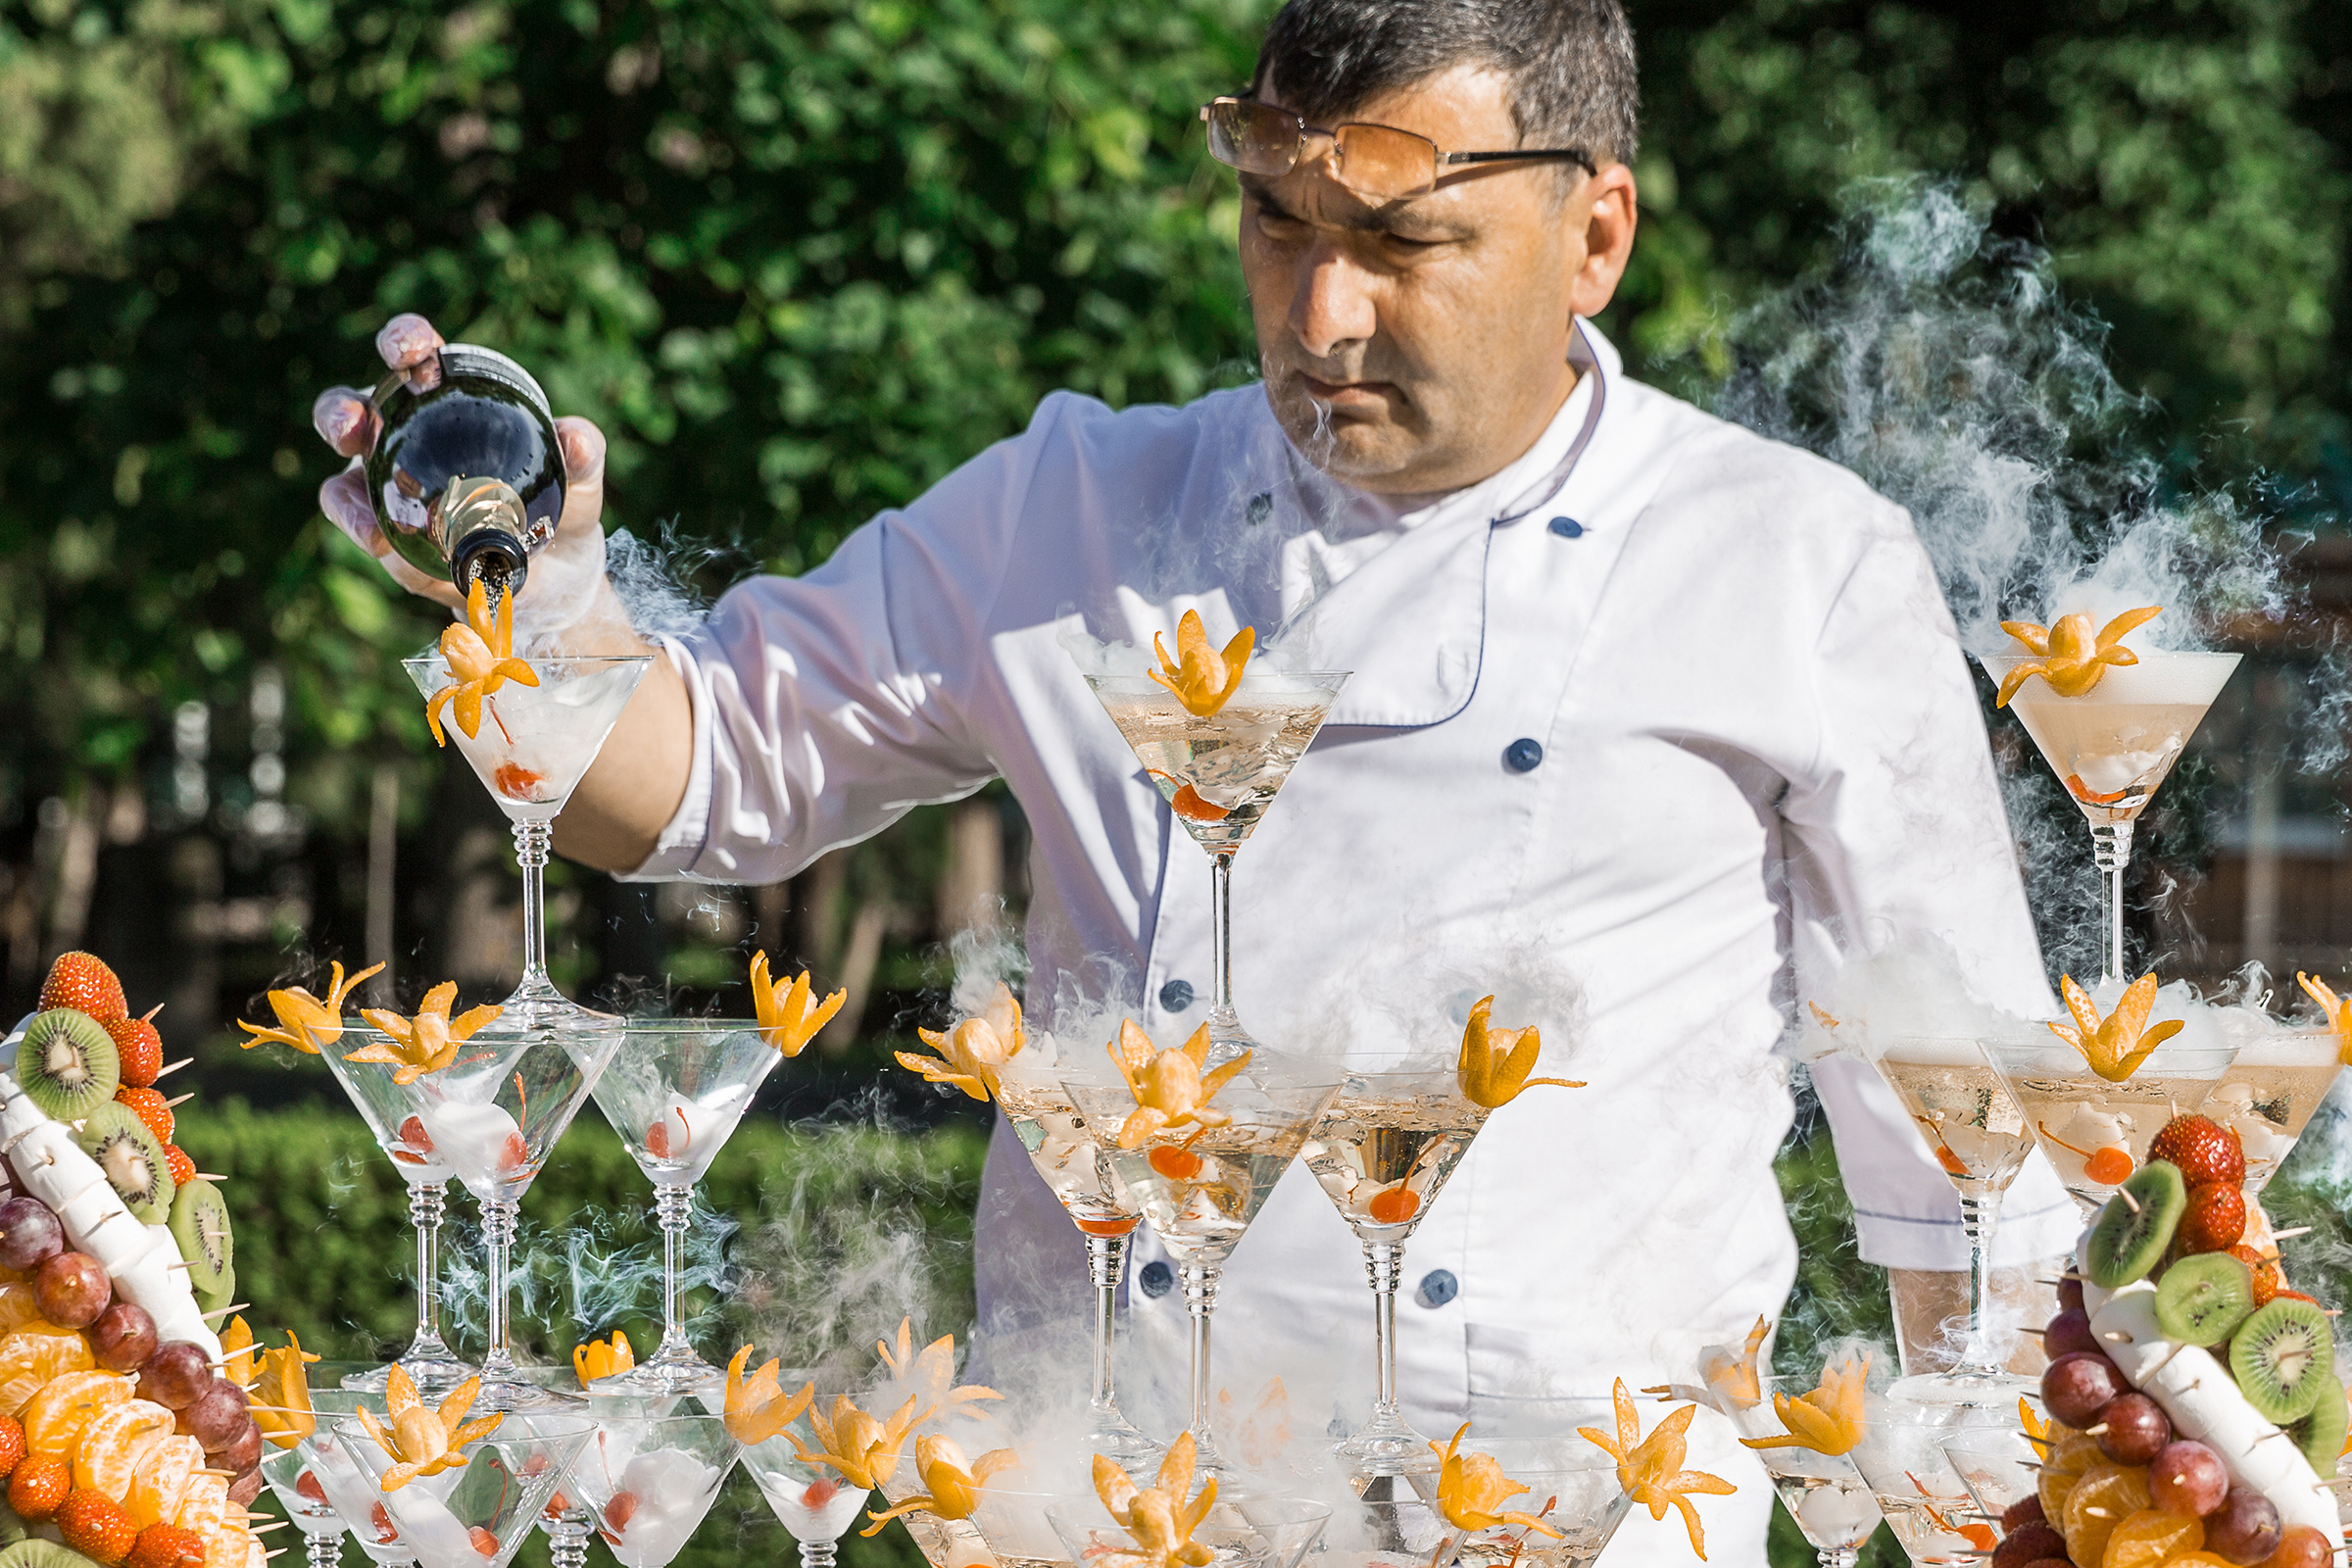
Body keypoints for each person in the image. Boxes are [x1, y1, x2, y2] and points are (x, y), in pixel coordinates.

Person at [313, 0, 2077, 1556]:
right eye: (1277, 221)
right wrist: (530, 609)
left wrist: (2018, 1511)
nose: (1320, 309)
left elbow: (1967, 1165)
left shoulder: (1793, 560)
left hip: (1577, 1535)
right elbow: (694, 783)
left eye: (1401, 240)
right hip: (1084, 1512)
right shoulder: (1077, 505)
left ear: (1593, 234)